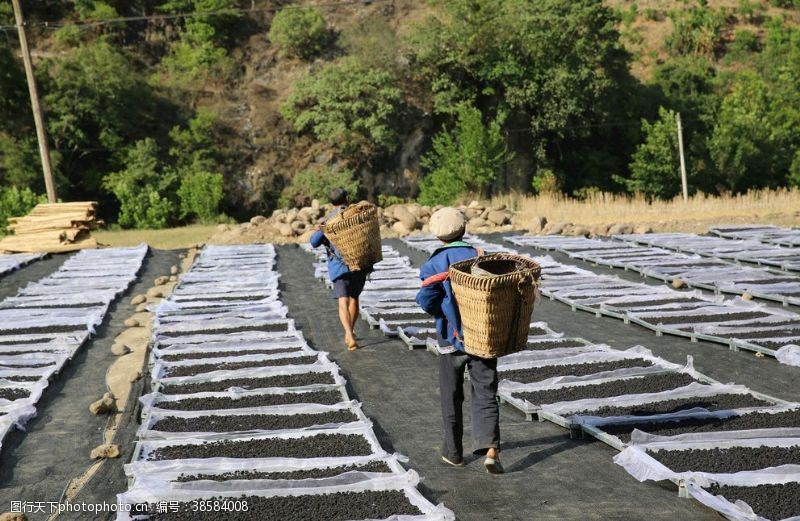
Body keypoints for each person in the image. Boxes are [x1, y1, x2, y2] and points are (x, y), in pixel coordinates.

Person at [416, 207, 503, 474]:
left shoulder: (434, 264)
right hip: (482, 336)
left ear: (438, 236)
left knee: (451, 395)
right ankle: (491, 450)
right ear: (464, 229)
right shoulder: (480, 256)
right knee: (486, 391)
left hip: (449, 338)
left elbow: (426, 300)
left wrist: (441, 312)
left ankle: (454, 453)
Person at [310, 188, 367, 352]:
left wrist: (321, 229)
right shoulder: (357, 215)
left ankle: (349, 334)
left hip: (338, 266)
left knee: (343, 300)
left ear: (331, 203)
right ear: (347, 199)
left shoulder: (329, 220)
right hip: (358, 264)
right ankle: (351, 331)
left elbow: (313, 242)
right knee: (354, 298)